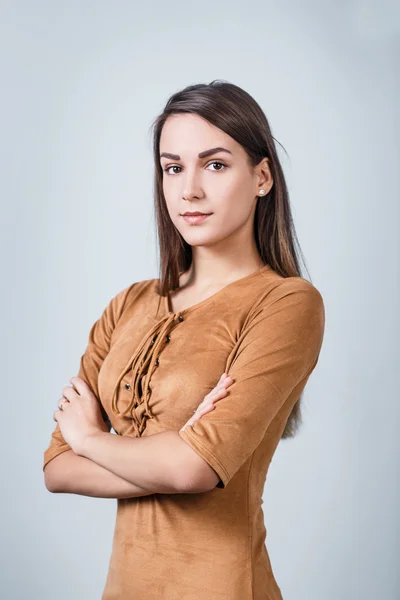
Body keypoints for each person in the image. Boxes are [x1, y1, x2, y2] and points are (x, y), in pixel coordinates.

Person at [43, 80, 326, 599]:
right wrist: (174, 459)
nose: (189, 189)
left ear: (262, 177)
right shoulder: (129, 304)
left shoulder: (287, 303)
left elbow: (193, 469)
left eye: (215, 165)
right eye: (173, 167)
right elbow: (58, 470)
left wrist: (93, 441)